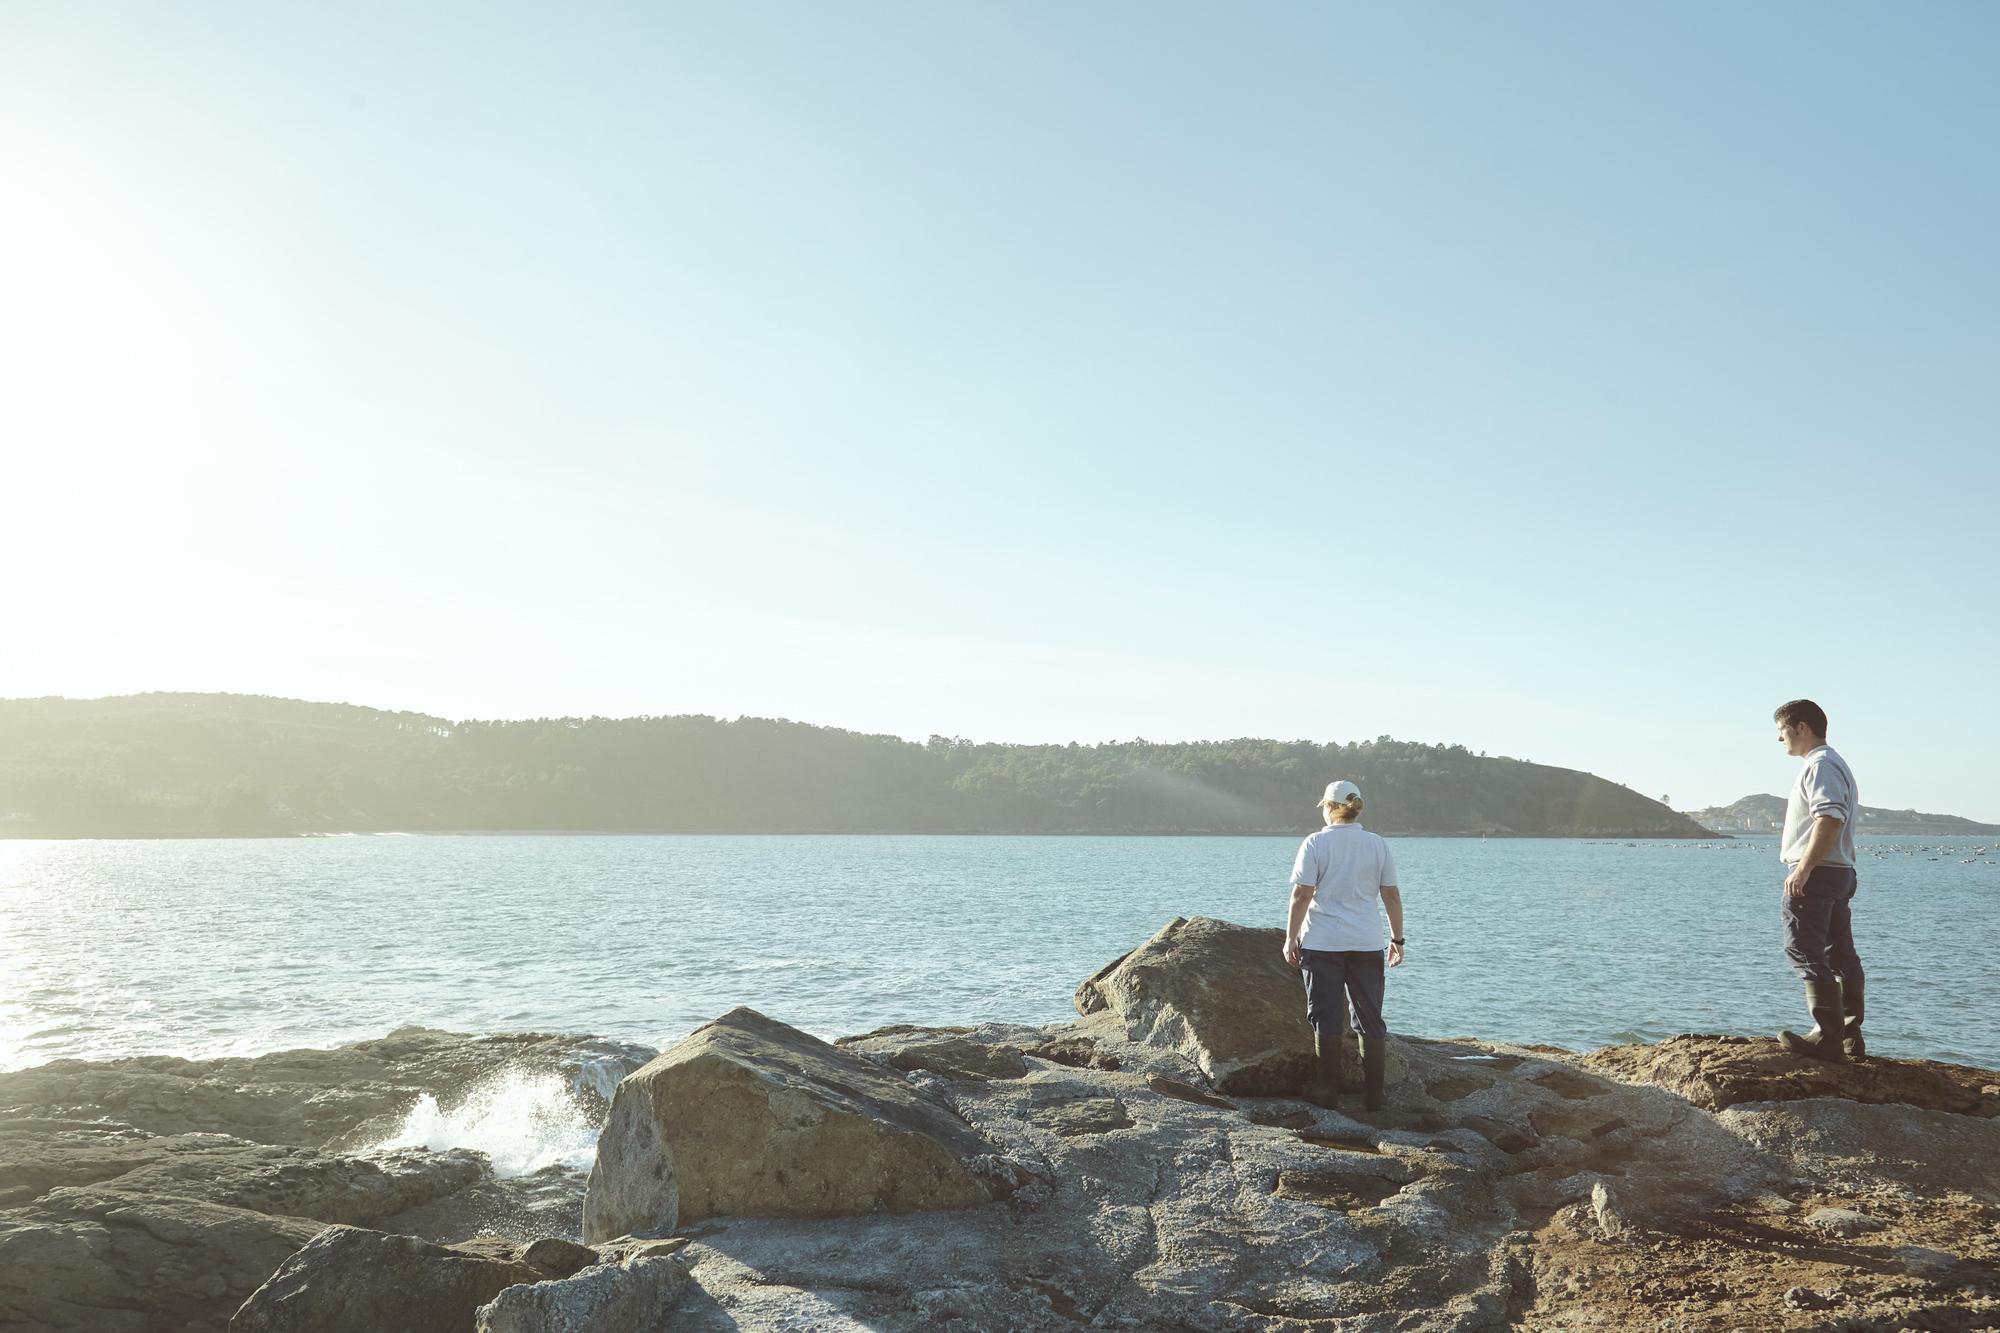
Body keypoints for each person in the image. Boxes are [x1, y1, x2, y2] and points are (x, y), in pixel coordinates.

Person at [1282, 780, 1406, 1110]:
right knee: (1369, 1016)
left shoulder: (1315, 844)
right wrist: (1397, 940)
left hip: (1323, 942)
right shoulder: (1377, 844)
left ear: (1329, 807)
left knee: (1326, 1014)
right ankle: (1375, 1096)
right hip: (1366, 942)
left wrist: (1290, 937)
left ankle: (1327, 1091)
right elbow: (1391, 895)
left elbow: (1302, 895)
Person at [1772, 699, 1865, 1061]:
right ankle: (1847, 1037)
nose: (1780, 740)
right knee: (1839, 954)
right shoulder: (1832, 762)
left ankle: (1828, 1039)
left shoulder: (1821, 764)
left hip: (1820, 872)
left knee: (1804, 950)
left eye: (1782, 731)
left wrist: (1803, 869)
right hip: (1839, 872)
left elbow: (1829, 818)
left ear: (1801, 728)